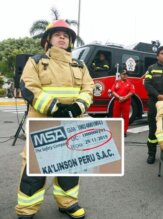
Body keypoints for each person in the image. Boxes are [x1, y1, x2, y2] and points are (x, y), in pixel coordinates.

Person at [16, 19, 94, 219]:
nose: (62, 38)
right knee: (35, 167)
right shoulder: (36, 61)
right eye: (57, 34)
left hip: (72, 121)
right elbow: (29, 87)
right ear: (48, 39)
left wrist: (78, 106)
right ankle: (27, 208)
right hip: (42, 121)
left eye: (66, 35)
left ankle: (67, 203)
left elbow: (88, 88)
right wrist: (55, 108)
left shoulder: (80, 65)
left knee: (70, 165)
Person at [111, 67, 135, 137]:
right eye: (123, 74)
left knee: (125, 117)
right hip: (117, 102)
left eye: (126, 74)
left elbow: (132, 92)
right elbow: (113, 91)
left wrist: (124, 98)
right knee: (116, 117)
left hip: (126, 103)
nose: (125, 76)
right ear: (120, 75)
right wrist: (119, 97)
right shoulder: (116, 82)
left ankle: (124, 131)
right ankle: (116, 131)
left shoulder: (130, 83)